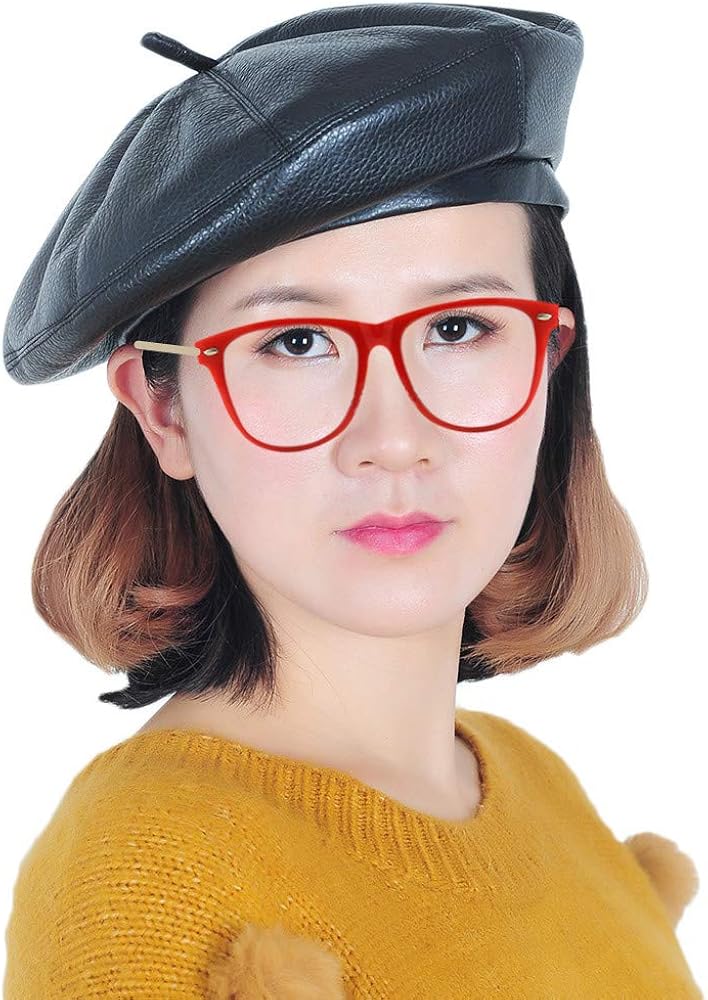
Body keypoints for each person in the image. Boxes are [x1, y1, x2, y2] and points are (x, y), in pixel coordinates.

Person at [2, 6, 702, 998]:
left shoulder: (536, 782)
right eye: (297, 343)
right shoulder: (143, 885)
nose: (393, 438)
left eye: (459, 327)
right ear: (165, 411)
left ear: (549, 365)